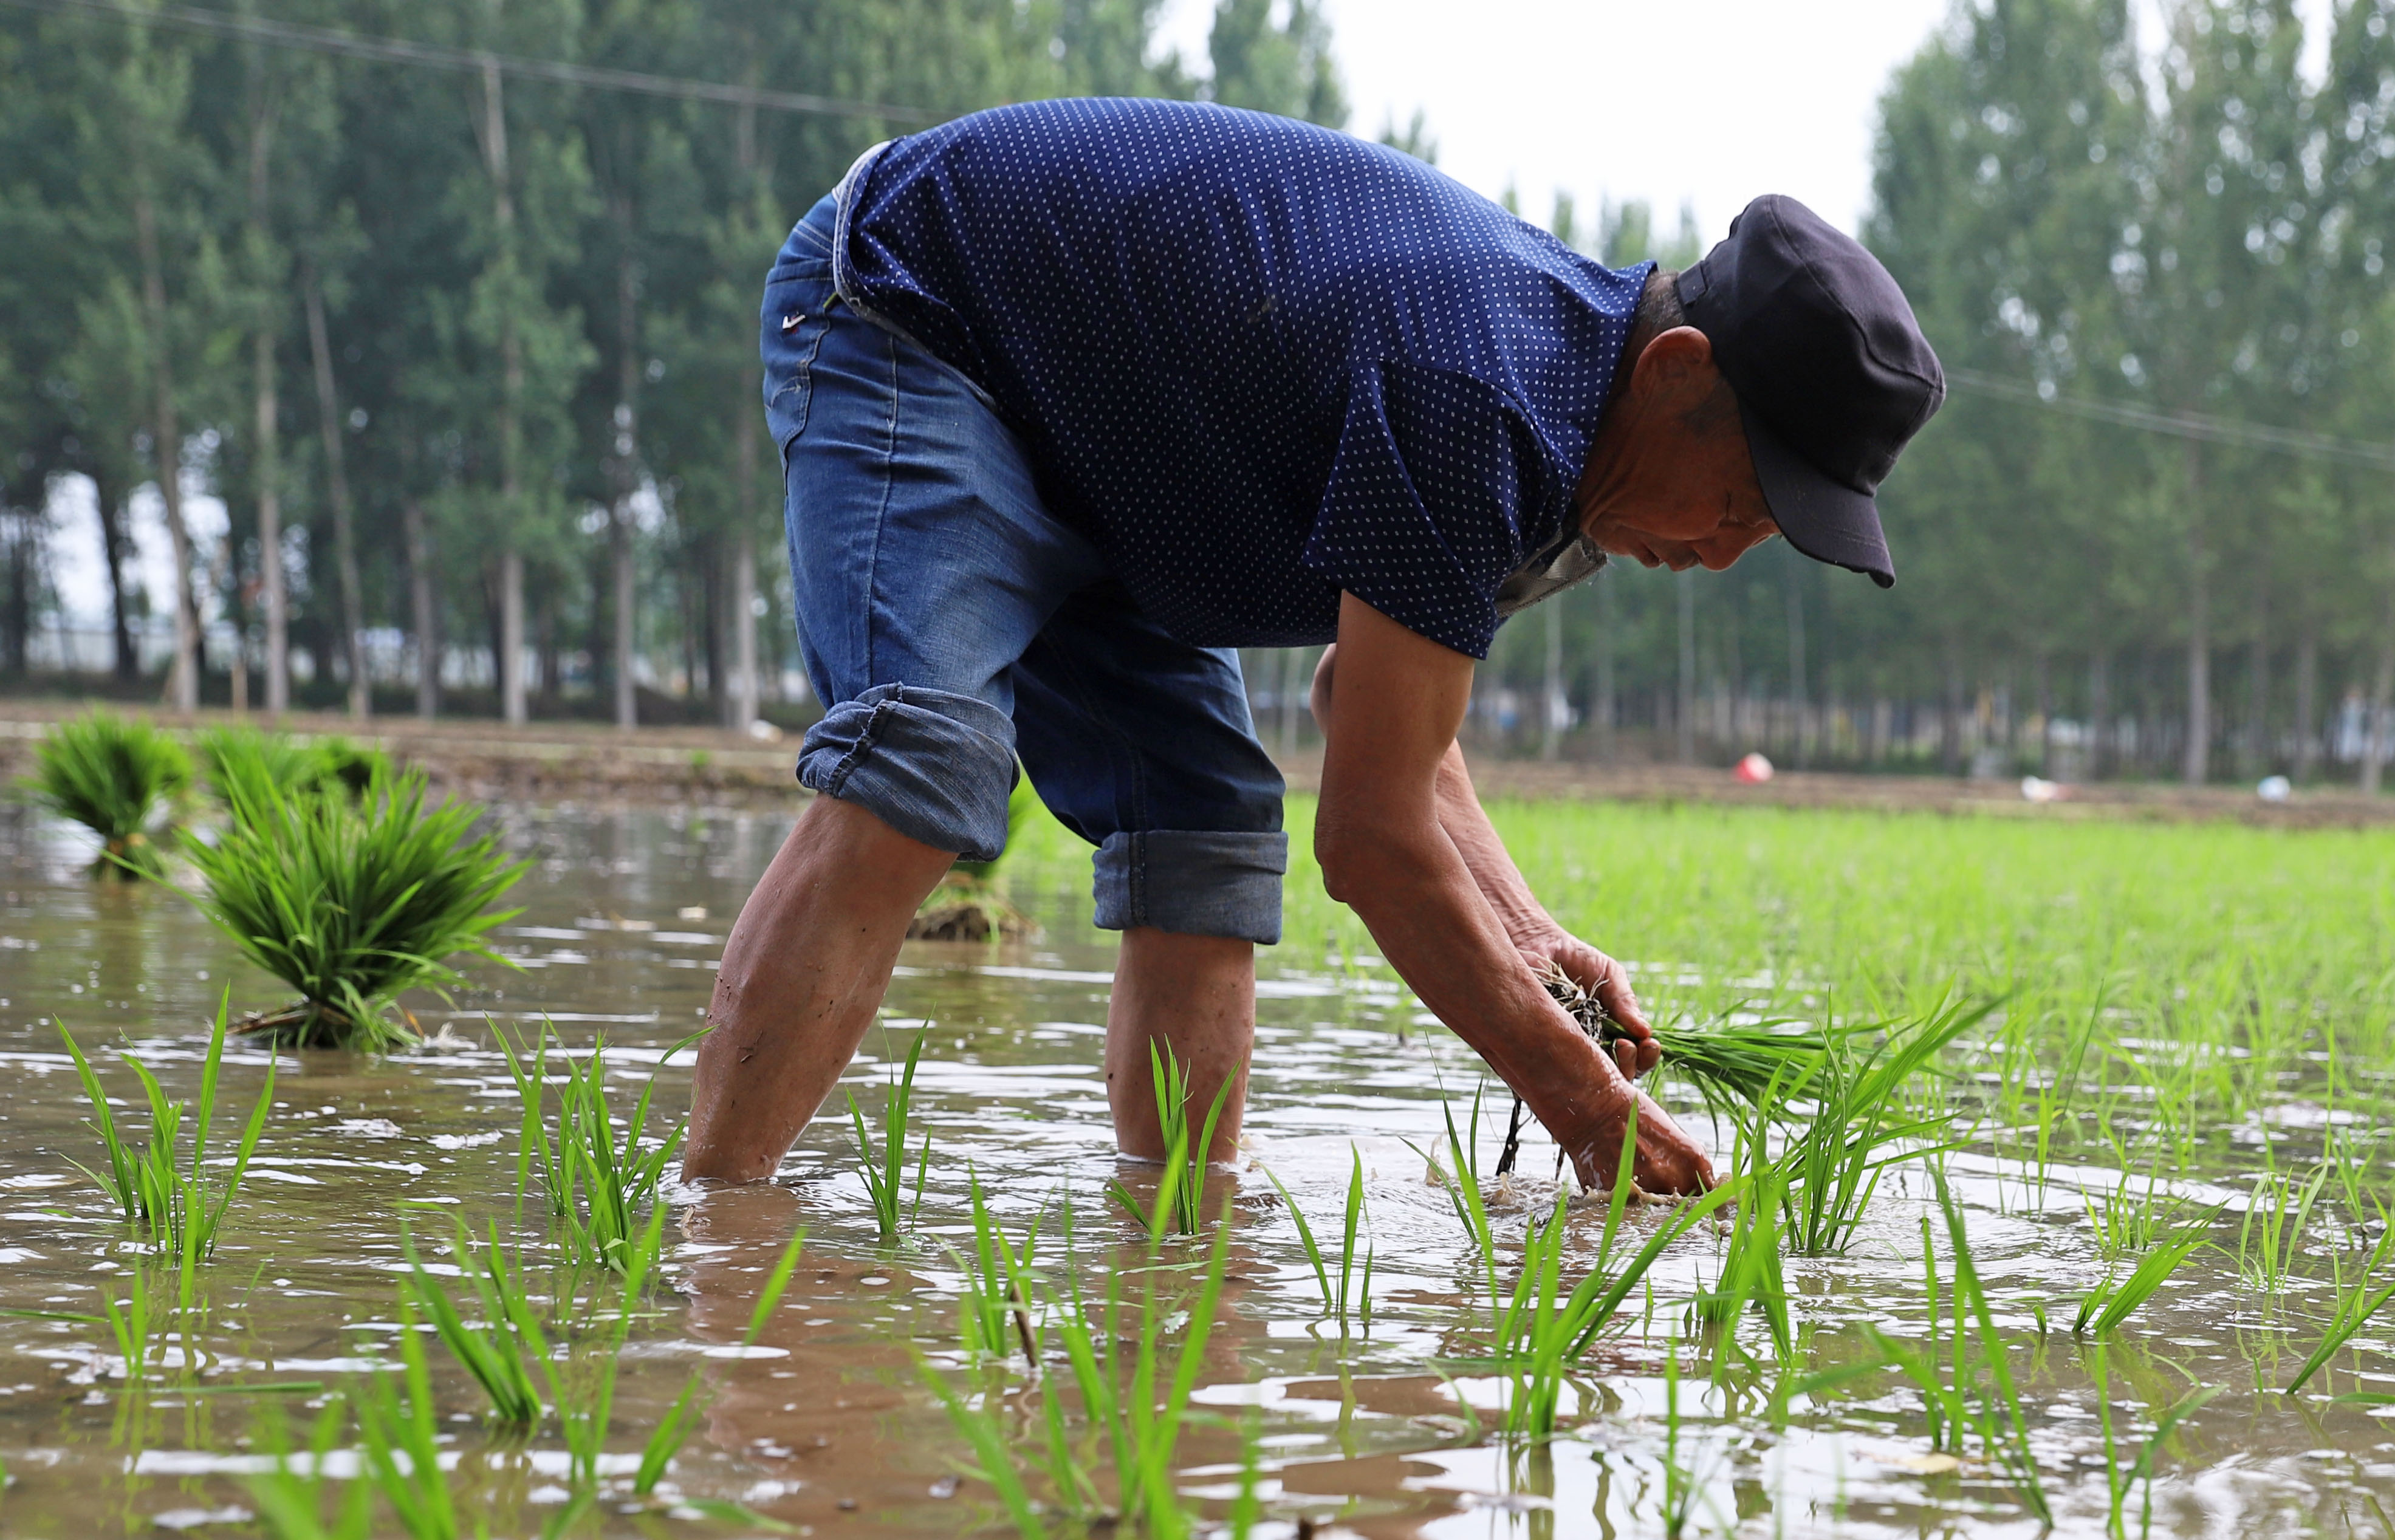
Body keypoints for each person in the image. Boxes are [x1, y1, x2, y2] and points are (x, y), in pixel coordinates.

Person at [679, 97, 1942, 1197]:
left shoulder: (1573, 455)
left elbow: (1383, 715)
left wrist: (1524, 933)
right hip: (925, 309)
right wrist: (1589, 1113)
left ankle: (1171, 1255)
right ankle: (711, 1234)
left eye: (1760, 537)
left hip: (1109, 453)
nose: (1721, 553)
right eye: (1735, 502)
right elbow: (1373, 841)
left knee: (1211, 825)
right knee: (929, 758)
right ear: (1674, 371)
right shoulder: (1489, 396)